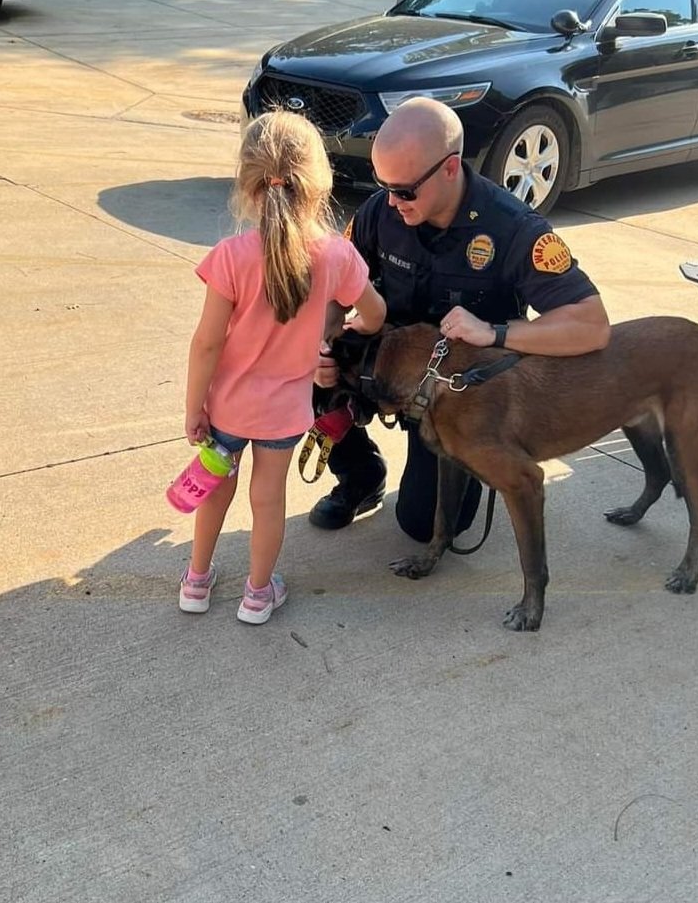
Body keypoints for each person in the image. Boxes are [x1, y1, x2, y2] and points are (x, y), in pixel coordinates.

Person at [310, 97, 610, 541]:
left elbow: (592, 324)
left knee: (424, 526)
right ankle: (360, 476)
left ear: (450, 169)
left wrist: (496, 332)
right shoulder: (381, 211)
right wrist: (324, 341)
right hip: (386, 367)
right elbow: (338, 283)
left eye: (406, 190)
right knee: (301, 370)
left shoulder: (513, 230)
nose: (392, 201)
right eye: (383, 184)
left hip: (460, 400)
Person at [180, 111, 387, 624]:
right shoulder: (335, 253)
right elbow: (376, 312)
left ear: (247, 184)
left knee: (215, 489)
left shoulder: (230, 256)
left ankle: (196, 582)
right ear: (318, 182)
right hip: (284, 412)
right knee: (267, 500)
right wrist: (335, 332)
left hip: (227, 406)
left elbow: (206, 344)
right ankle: (256, 594)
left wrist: (194, 408)